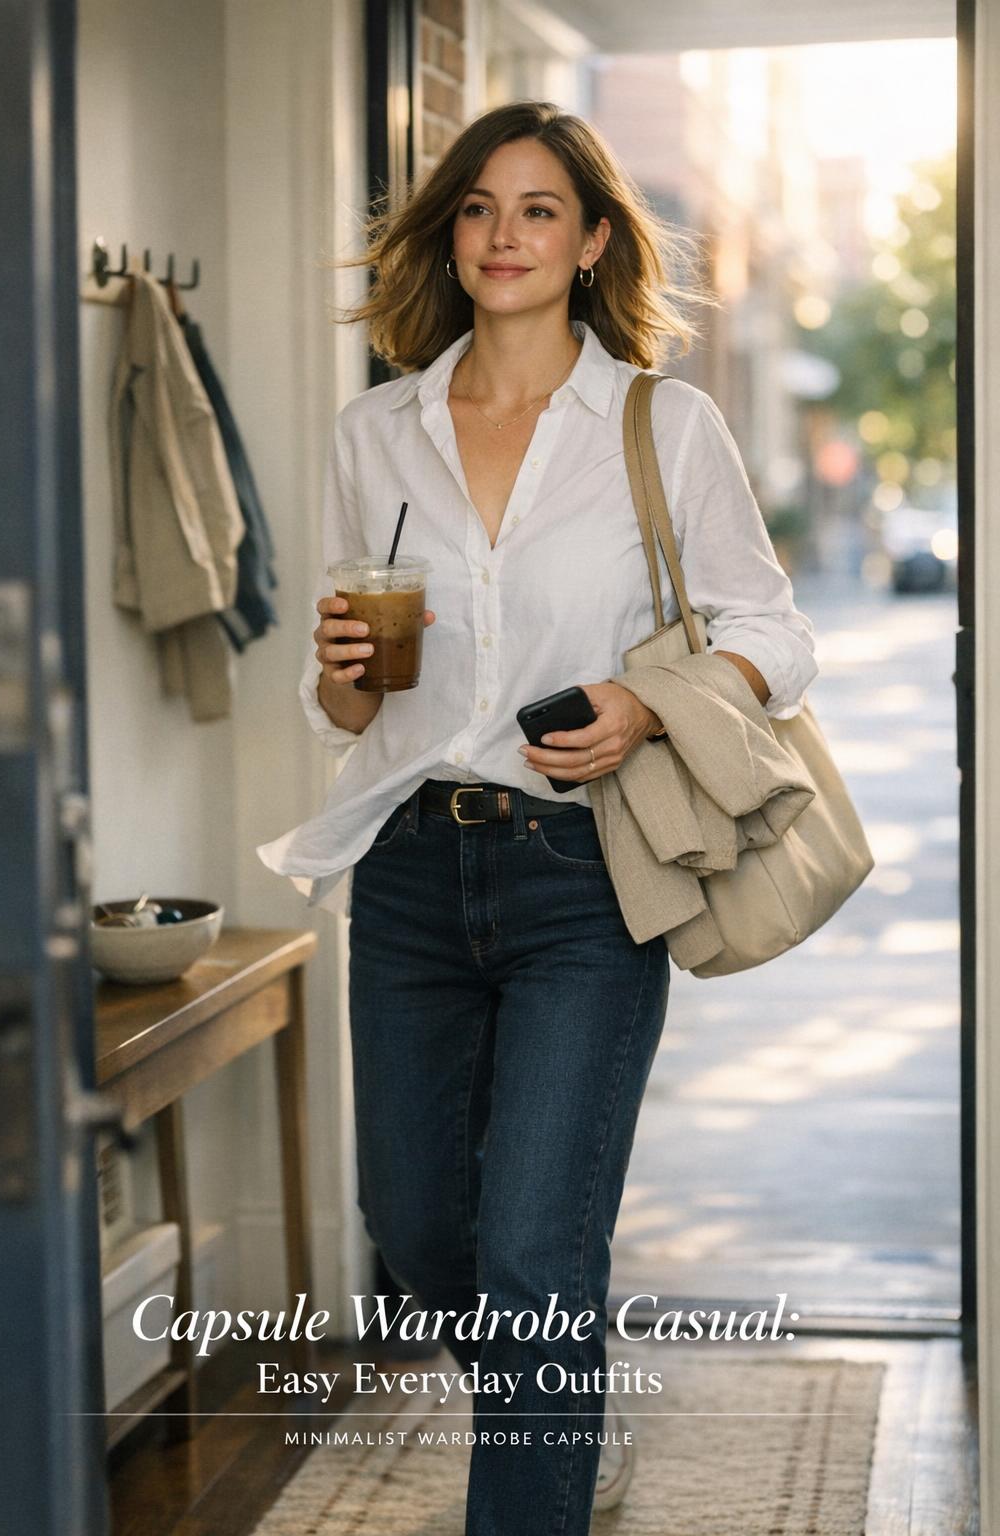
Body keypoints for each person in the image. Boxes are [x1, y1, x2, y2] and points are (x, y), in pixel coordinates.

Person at [256, 100, 818, 1536]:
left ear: (589, 243)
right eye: (480, 209)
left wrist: (647, 707)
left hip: (582, 872)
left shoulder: (658, 422)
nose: (504, 235)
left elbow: (773, 632)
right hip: (405, 866)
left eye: (539, 210)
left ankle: (540, 1464)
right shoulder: (375, 430)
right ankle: (565, 1399)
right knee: (422, 1224)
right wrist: (334, 681)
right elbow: (357, 706)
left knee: (533, 1245)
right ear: (451, 235)